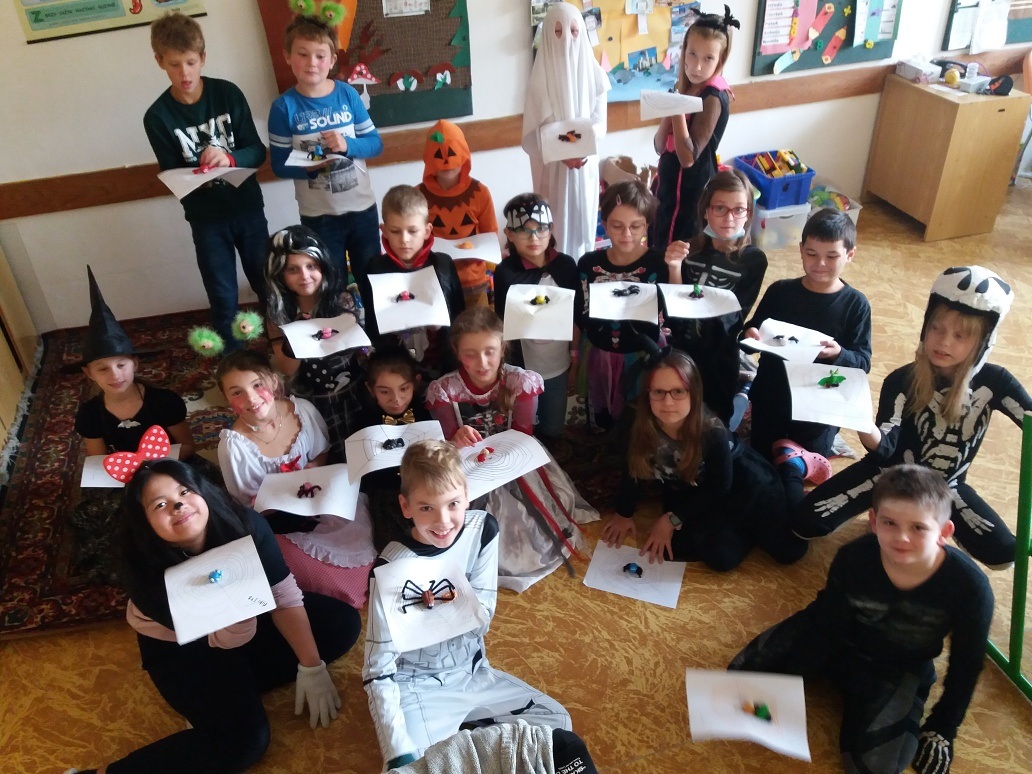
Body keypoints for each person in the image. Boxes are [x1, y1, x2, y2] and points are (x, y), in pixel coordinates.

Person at [67, 459, 361, 774]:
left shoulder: (245, 524)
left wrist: (311, 666)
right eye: (160, 504)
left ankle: (230, 694)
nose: (178, 505)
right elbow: (219, 637)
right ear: (144, 521)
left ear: (203, 492)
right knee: (244, 742)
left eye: (184, 491)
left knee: (342, 624)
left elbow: (282, 593)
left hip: (246, 616)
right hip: (184, 644)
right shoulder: (142, 569)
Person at [730, 464, 994, 774]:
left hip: (897, 665)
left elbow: (967, 663)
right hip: (838, 640)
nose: (902, 538)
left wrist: (944, 727)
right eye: (890, 523)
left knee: (873, 768)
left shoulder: (970, 587)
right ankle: (834, 682)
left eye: (918, 528)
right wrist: (795, 674)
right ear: (873, 521)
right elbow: (826, 623)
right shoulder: (853, 556)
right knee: (738, 677)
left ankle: (891, 698)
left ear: (944, 532)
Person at [794, 265, 1029, 570]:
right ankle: (885, 511)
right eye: (936, 328)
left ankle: (909, 521)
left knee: (1005, 555)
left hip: (946, 484)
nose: (944, 342)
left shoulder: (996, 382)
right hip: (891, 474)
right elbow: (885, 449)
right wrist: (861, 422)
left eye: (960, 336)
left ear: (983, 342)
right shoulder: (901, 379)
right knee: (803, 523)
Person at [363, 440, 572, 768]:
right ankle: (468, 746)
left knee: (556, 723)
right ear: (406, 506)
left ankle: (470, 744)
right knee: (415, 766)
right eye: (426, 508)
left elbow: (482, 617)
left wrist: (453, 605)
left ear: (466, 494)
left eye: (453, 504)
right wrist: (398, 750)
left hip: (472, 674)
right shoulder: (390, 569)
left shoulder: (483, 530)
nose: (443, 521)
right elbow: (378, 668)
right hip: (419, 687)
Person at [425, 307, 597, 590]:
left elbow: (522, 437)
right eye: (470, 354)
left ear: (503, 348)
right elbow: (446, 440)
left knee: (522, 520)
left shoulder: (520, 382)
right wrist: (456, 437)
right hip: (468, 465)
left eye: (490, 351)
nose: (482, 362)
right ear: (457, 352)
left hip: (513, 459)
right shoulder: (445, 390)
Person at [600, 349, 805, 571]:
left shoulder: (711, 430)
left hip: (743, 482)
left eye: (678, 391)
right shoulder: (633, 418)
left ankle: (791, 467)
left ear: (694, 393)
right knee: (709, 556)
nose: (668, 402)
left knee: (789, 552)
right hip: (695, 487)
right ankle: (739, 528)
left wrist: (671, 519)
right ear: (647, 393)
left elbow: (721, 485)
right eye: (658, 391)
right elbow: (632, 465)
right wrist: (624, 512)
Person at [144, 12, 269, 349]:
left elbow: (257, 151)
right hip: (206, 220)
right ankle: (235, 363)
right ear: (160, 62)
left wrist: (229, 159)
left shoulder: (227, 94)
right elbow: (171, 172)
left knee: (267, 284)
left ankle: (284, 352)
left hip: (246, 208)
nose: (184, 73)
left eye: (190, 62)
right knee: (223, 295)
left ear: (202, 57)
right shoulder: (157, 117)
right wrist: (197, 174)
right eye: (174, 64)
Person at [216, 350, 375, 607]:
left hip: (319, 499)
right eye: (237, 392)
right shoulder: (234, 446)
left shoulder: (302, 410)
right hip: (280, 522)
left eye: (257, 385)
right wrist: (283, 496)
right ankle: (334, 588)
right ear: (226, 399)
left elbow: (322, 452)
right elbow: (247, 506)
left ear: (273, 381)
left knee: (358, 527)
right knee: (291, 559)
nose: (251, 398)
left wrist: (314, 466)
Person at [72, 267, 201, 582]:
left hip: (169, 467)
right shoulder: (90, 414)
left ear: (135, 363)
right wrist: (130, 474)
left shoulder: (163, 401)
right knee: (101, 517)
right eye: (102, 369)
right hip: (123, 476)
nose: (115, 375)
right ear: (89, 373)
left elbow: (187, 445)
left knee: (200, 497)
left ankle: (187, 547)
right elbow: (98, 459)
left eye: (121, 364)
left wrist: (155, 468)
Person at [743, 208, 872, 506]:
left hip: (819, 407)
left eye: (832, 256)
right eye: (811, 254)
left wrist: (839, 353)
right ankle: (788, 471)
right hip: (772, 395)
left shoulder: (856, 305)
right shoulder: (780, 291)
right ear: (800, 250)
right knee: (760, 464)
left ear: (850, 255)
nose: (820, 263)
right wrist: (750, 336)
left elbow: (862, 362)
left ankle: (797, 471)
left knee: (791, 466)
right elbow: (750, 336)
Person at [268, 15, 383, 282]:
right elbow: (279, 165)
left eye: (320, 56)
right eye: (303, 54)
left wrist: (347, 145)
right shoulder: (283, 108)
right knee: (331, 284)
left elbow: (375, 144)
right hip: (318, 217)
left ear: (332, 60)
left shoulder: (347, 94)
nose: (312, 63)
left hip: (361, 210)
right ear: (287, 56)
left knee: (372, 280)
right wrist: (310, 166)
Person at [663, 168, 766, 426]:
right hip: (682, 346)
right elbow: (674, 310)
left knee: (715, 419)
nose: (729, 218)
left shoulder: (753, 260)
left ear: (748, 213)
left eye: (738, 209)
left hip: (720, 354)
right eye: (719, 208)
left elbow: (735, 316)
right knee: (677, 411)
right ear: (705, 211)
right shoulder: (689, 250)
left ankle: (739, 400)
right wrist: (674, 267)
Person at [263, 225, 367, 462]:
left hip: (352, 393)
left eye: (311, 266)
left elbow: (359, 353)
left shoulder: (343, 301)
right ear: (279, 274)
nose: (304, 276)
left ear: (323, 266)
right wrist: (297, 336)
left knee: (360, 449)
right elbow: (288, 369)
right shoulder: (278, 314)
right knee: (325, 455)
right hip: (311, 398)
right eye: (293, 269)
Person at [522, 2, 610, 260]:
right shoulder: (539, 81)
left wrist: (579, 149)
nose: (567, 40)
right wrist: (562, 153)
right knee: (555, 231)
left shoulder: (596, 76)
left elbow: (600, 123)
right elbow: (534, 132)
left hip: (584, 165)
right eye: (558, 32)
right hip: (554, 170)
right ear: (548, 35)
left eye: (573, 31)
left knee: (583, 231)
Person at [577, 180, 666, 430]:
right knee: (602, 413)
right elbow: (579, 312)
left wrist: (675, 267)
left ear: (646, 225)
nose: (626, 234)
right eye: (617, 226)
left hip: (642, 354)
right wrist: (573, 355)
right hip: (599, 352)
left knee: (640, 415)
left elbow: (672, 307)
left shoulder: (659, 262)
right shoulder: (588, 264)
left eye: (635, 226)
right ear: (604, 225)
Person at [493, 193, 582, 441]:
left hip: (558, 364)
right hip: (522, 365)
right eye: (524, 230)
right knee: (522, 427)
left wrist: (575, 361)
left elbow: (575, 318)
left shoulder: (566, 266)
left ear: (551, 229)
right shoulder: (506, 272)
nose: (534, 238)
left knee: (553, 427)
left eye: (540, 229)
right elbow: (502, 324)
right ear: (510, 234)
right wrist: (504, 371)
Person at [651, 6, 737, 246]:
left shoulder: (713, 98)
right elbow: (659, 145)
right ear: (684, 51)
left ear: (720, 60)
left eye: (708, 58)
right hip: (668, 190)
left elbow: (688, 158)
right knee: (659, 243)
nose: (697, 66)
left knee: (680, 251)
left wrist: (676, 109)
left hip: (692, 196)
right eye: (692, 54)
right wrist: (671, 106)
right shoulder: (684, 88)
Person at [358, 185, 465, 378]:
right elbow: (372, 326)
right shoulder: (375, 268)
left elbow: (458, 316)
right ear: (384, 231)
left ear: (427, 230)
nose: (404, 240)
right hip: (396, 371)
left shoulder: (443, 265)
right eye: (395, 231)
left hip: (442, 365)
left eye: (413, 231)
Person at [355, 346, 433, 552]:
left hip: (422, 489)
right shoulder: (363, 421)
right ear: (370, 389)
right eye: (384, 391)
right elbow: (364, 473)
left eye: (404, 389)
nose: (396, 399)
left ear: (415, 383)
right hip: (385, 495)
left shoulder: (424, 414)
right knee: (391, 546)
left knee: (428, 539)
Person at [417, 119, 499, 310]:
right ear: (428, 157)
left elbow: (490, 236)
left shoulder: (480, 193)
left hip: (473, 281)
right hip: (435, 280)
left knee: (477, 325)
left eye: (452, 153)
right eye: (439, 155)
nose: (446, 161)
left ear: (464, 154)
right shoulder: (418, 196)